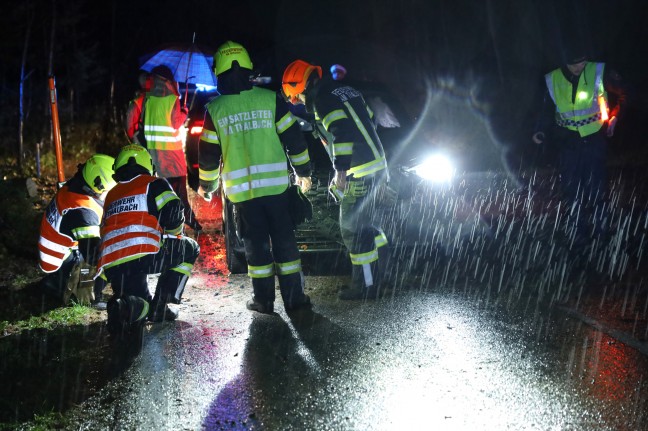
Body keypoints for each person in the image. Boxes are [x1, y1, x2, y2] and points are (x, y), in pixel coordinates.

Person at [197, 40, 313, 314]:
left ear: (220, 72)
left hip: (244, 196)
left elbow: (209, 155)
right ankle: (295, 301)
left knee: (256, 249)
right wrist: (303, 172)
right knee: (285, 244)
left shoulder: (215, 110)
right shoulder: (269, 99)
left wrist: (208, 185)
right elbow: (294, 139)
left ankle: (263, 301)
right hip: (276, 192)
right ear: (248, 68)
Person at [282, 59, 392, 300]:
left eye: (295, 96)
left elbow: (342, 133)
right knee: (366, 225)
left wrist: (340, 173)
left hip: (358, 170)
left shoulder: (322, 100)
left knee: (352, 229)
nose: (296, 102)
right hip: (377, 164)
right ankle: (382, 273)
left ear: (300, 87)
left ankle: (365, 287)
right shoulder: (346, 90)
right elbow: (370, 119)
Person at [96, 144, 200, 328]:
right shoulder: (154, 183)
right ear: (147, 165)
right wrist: (174, 237)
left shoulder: (110, 195)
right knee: (190, 248)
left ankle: (125, 306)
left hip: (112, 266)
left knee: (139, 305)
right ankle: (161, 305)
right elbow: (174, 210)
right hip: (144, 257)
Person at [532, 44, 627, 240]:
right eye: (574, 64)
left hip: (594, 140)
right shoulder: (552, 79)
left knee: (596, 189)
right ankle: (578, 234)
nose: (580, 67)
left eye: (583, 62)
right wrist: (540, 130)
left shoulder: (599, 71)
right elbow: (545, 109)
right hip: (567, 142)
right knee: (572, 190)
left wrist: (615, 117)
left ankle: (602, 233)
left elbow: (624, 94)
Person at [124, 65, 203, 232]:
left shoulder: (148, 100)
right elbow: (175, 123)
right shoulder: (172, 99)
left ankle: (165, 224)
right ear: (168, 81)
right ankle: (187, 221)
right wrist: (184, 111)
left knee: (162, 193)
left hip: (156, 156)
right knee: (180, 193)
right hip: (173, 157)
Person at [38, 154, 116, 307]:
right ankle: (86, 296)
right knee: (108, 255)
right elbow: (92, 254)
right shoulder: (83, 211)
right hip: (61, 264)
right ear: (99, 185)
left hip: (58, 253)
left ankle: (56, 283)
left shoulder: (76, 185)